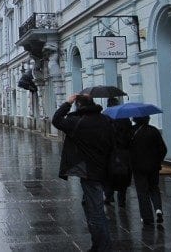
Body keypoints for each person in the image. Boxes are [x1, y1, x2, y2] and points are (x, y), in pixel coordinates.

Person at [52, 93, 114, 252]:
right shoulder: (105, 120)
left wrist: (67, 103)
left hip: (88, 171)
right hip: (104, 168)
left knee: (96, 211)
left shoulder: (76, 122)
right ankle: (99, 244)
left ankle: (103, 246)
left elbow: (56, 120)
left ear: (79, 105)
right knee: (89, 204)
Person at [130, 115, 167, 225]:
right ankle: (158, 209)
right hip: (153, 166)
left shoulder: (132, 131)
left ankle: (146, 217)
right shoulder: (154, 130)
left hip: (138, 166)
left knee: (142, 191)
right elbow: (163, 149)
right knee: (154, 188)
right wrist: (158, 160)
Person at [103, 97, 132, 207]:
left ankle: (109, 196)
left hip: (109, 152)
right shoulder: (124, 118)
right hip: (123, 152)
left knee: (109, 174)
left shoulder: (104, 117)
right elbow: (129, 134)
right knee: (123, 175)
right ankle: (122, 200)